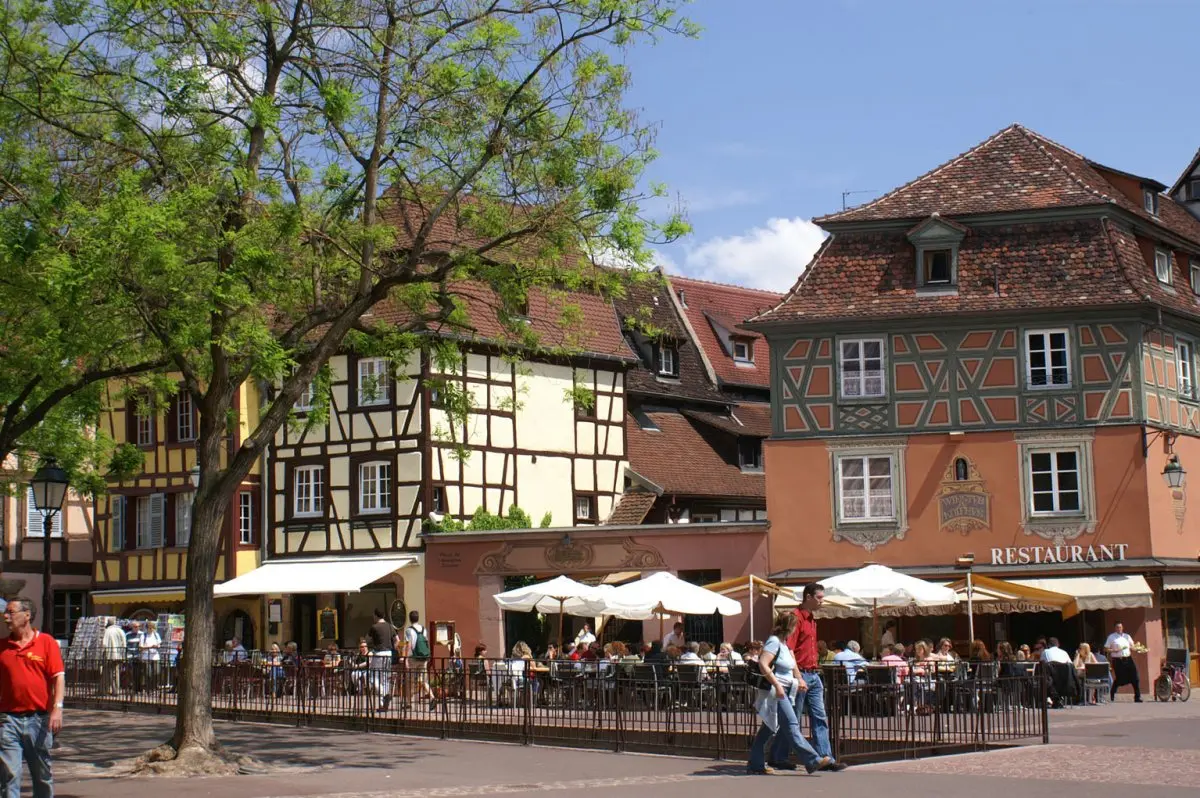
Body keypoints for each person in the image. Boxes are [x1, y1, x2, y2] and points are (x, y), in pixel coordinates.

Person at [747, 611, 832, 775]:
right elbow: (763, 664)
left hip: (785, 689)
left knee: (769, 728)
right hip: (777, 691)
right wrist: (777, 685)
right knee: (792, 724)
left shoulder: (784, 644)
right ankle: (813, 760)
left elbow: (791, 665)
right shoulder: (774, 642)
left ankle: (755, 763)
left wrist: (799, 680)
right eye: (794, 626)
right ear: (789, 627)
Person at [0, 597, 65, 798]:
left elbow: (58, 677)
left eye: (11, 612)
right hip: (8, 719)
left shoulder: (46, 642)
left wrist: (57, 709)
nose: (5, 617)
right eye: (5, 612)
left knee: (42, 775)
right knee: (9, 775)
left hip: (39, 719)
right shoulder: (2, 647)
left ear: (27, 615)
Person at [778, 582, 847, 771]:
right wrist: (798, 676)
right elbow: (789, 649)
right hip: (800, 674)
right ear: (808, 597)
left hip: (813, 674)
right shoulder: (796, 618)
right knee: (793, 719)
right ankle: (778, 756)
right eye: (819, 598)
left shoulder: (812, 619)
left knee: (819, 716)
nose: (822, 601)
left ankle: (826, 758)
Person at [403, 609, 436, 711]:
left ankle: (409, 703)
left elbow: (409, 645)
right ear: (418, 618)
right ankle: (432, 697)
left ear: (410, 619)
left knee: (410, 680)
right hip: (423, 658)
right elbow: (426, 642)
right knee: (423, 680)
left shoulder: (409, 630)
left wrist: (405, 659)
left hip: (413, 658)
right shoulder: (423, 629)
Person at [367, 608, 396, 712]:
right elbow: (397, 640)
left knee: (372, 678)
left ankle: (384, 695)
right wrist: (394, 649)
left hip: (378, 654)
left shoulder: (374, 627)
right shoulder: (390, 626)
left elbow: (367, 640)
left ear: (375, 615)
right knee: (385, 679)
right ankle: (383, 705)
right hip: (388, 654)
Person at [1105, 622, 1142, 702]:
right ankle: (1112, 693)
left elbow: (1132, 647)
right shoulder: (1111, 637)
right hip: (1118, 660)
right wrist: (1114, 650)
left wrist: (1139, 649)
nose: (1119, 629)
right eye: (1117, 627)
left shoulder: (1127, 636)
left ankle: (1137, 697)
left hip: (1128, 658)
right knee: (1120, 679)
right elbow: (1106, 649)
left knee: (1135, 677)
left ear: (1122, 628)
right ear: (1115, 628)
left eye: (1120, 627)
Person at [102, 617, 127, 695]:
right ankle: (115, 690)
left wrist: (103, 653)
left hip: (110, 655)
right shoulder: (121, 631)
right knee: (116, 673)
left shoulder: (107, 631)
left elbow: (104, 644)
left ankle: (105, 690)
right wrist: (123, 655)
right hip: (119, 655)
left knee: (107, 672)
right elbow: (124, 644)